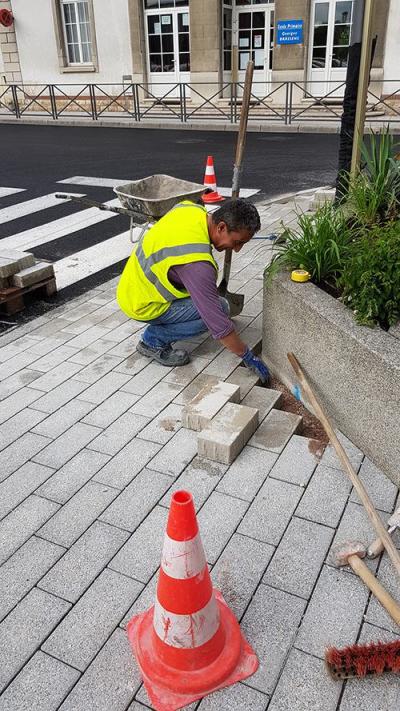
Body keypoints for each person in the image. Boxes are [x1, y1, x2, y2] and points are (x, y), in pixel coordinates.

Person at [116, 197, 270, 383]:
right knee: (219, 310)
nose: (237, 250)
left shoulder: (190, 210)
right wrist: (248, 356)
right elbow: (217, 324)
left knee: (214, 306)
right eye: (237, 242)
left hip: (134, 286)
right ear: (221, 227)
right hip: (142, 302)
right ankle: (153, 340)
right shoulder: (197, 265)